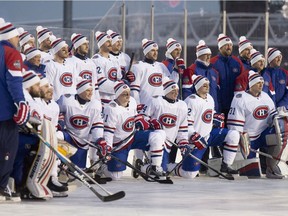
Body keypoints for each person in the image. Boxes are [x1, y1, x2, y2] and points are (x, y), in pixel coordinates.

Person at [168, 74, 240, 179]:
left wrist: (216, 117)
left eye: (208, 84)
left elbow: (210, 114)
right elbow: (185, 124)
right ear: (197, 87)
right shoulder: (191, 101)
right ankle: (168, 167)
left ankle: (226, 165)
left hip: (209, 135)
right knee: (189, 174)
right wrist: (193, 135)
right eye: (204, 85)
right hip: (195, 141)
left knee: (233, 134)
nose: (207, 86)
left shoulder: (210, 98)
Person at [227, 71, 288, 178]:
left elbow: (272, 115)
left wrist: (280, 114)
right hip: (247, 139)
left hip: (263, 134)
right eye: (258, 83)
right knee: (252, 175)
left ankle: (273, 167)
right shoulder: (240, 98)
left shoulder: (265, 96)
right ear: (251, 84)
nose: (261, 85)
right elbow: (234, 126)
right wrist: (240, 142)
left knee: (283, 126)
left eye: (262, 82)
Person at [102, 82, 166, 180]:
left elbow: (135, 116)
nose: (128, 96)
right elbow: (108, 132)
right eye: (124, 94)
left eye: (128, 93)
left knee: (159, 134)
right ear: (118, 95)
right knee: (115, 176)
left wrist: (146, 120)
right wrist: (108, 148)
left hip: (133, 136)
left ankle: (154, 167)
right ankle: (102, 167)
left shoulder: (132, 101)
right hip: (119, 144)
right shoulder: (111, 109)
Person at [0, 18, 30, 202]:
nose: (18, 39)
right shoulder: (11, 53)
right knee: (7, 149)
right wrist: (21, 103)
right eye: (16, 36)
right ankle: (2, 188)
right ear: (9, 36)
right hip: (5, 113)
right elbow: (14, 81)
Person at [129, 38, 169, 175]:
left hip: (159, 108)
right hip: (144, 107)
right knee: (142, 132)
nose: (155, 52)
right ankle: (138, 159)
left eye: (157, 50)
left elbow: (169, 86)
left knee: (156, 135)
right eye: (152, 50)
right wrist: (137, 107)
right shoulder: (138, 67)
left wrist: (176, 71)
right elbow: (134, 89)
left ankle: (152, 163)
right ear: (146, 51)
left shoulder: (161, 67)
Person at [138, 78, 189, 173]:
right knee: (160, 168)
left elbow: (183, 127)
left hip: (170, 140)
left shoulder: (182, 106)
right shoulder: (155, 101)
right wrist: (151, 122)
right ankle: (141, 167)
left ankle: (152, 166)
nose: (175, 93)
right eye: (172, 91)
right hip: (154, 139)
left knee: (166, 168)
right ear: (166, 91)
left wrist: (183, 141)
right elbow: (142, 117)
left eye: (177, 91)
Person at [56, 78, 104, 168]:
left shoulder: (96, 105)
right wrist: (60, 120)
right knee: (56, 136)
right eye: (87, 90)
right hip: (68, 135)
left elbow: (97, 125)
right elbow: (55, 110)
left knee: (78, 170)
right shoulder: (66, 100)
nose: (91, 93)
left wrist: (99, 139)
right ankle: (56, 162)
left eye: (91, 90)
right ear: (80, 91)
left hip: (83, 140)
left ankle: (67, 165)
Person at [36, 76, 68, 197]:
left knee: (59, 136)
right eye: (46, 88)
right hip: (36, 136)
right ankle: (46, 179)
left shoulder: (54, 106)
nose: (50, 91)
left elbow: (53, 126)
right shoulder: (36, 102)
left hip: (47, 137)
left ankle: (52, 177)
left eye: (51, 89)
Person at [210, 33, 245, 118]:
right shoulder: (213, 62)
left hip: (234, 104)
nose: (229, 47)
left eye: (230, 45)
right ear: (220, 47)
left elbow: (243, 81)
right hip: (219, 104)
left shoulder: (237, 62)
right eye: (226, 45)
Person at [92, 31, 122, 104]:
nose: (111, 44)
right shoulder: (96, 60)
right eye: (108, 42)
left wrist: (124, 82)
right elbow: (101, 83)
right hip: (103, 99)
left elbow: (119, 78)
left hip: (116, 99)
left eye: (111, 41)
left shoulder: (114, 59)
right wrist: (120, 87)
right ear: (101, 44)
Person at [45, 35, 77, 101]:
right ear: (56, 51)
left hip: (73, 102)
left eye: (67, 49)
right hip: (58, 102)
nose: (66, 51)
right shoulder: (50, 65)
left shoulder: (70, 64)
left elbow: (75, 82)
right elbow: (48, 85)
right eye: (63, 49)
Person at [70, 32, 101, 100]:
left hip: (91, 97)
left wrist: (97, 99)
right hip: (78, 98)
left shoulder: (91, 62)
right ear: (77, 46)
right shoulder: (71, 61)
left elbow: (95, 83)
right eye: (84, 44)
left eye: (87, 44)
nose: (87, 46)